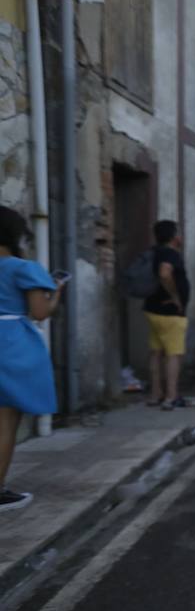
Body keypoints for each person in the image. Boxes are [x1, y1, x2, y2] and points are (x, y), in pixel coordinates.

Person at [0, 206, 61, 513]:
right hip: (11, 344)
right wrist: (57, 293)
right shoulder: (24, 268)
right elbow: (39, 312)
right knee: (5, 421)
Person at [144, 220, 191, 410]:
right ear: (173, 236)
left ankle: (156, 394)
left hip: (153, 309)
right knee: (173, 355)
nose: (181, 235)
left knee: (156, 353)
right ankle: (171, 396)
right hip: (170, 313)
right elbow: (165, 274)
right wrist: (176, 297)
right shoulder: (171, 254)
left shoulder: (154, 252)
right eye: (178, 232)